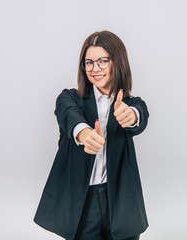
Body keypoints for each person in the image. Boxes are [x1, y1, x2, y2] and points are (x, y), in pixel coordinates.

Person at [34, 30, 149, 240]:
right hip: (84, 203)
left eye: (103, 61)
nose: (95, 68)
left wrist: (131, 115)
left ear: (118, 62)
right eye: (89, 62)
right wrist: (85, 134)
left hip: (122, 203)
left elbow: (140, 115)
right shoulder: (70, 98)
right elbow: (69, 114)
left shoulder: (131, 104)